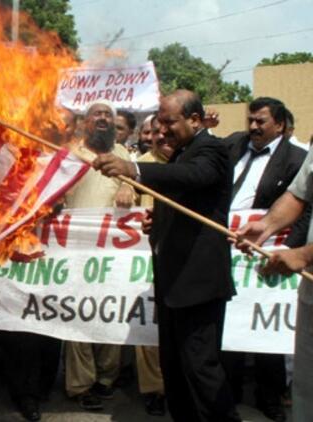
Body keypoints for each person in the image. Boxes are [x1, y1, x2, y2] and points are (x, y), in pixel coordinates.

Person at [93, 90, 239, 422]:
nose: (162, 131)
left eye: (170, 122)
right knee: (174, 371)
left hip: (198, 283)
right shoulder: (182, 153)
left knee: (200, 369)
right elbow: (184, 201)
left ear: (195, 120)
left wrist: (133, 169)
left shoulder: (211, 150)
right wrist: (157, 222)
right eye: (159, 123)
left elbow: (194, 178)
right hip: (173, 283)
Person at [222, 97, 308, 422]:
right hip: (229, 248)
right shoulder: (233, 146)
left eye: (261, 121)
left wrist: (290, 249)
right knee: (230, 320)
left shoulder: (298, 158)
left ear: (281, 125)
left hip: (271, 255)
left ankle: (269, 397)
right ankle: (227, 393)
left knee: (264, 325)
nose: (253, 127)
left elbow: (303, 207)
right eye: (251, 120)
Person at [63, 99, 134, 411]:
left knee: (110, 313)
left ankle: (107, 377)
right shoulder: (70, 154)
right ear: (85, 123)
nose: (104, 118)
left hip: (114, 254)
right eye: (97, 114)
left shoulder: (124, 155)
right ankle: (80, 385)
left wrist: (130, 189)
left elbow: (141, 189)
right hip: (76, 250)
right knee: (78, 316)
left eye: (109, 114)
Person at [133, 114, 173, 417]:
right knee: (147, 328)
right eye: (155, 132)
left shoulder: (193, 162)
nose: (161, 136)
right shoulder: (139, 166)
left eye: (167, 130)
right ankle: (154, 390)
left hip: (183, 260)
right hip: (141, 259)